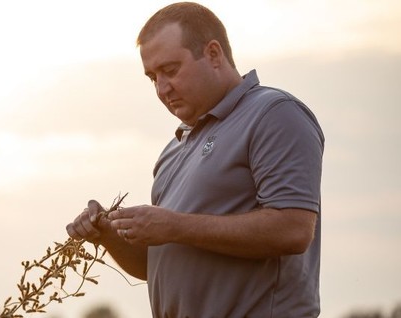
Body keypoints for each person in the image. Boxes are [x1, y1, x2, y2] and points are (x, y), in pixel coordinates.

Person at [65, 2, 324, 317]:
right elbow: (159, 263)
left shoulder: (273, 113)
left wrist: (175, 225)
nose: (162, 88)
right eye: (152, 77)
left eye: (170, 70)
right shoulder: (173, 150)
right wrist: (107, 234)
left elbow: (293, 229)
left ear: (213, 54)